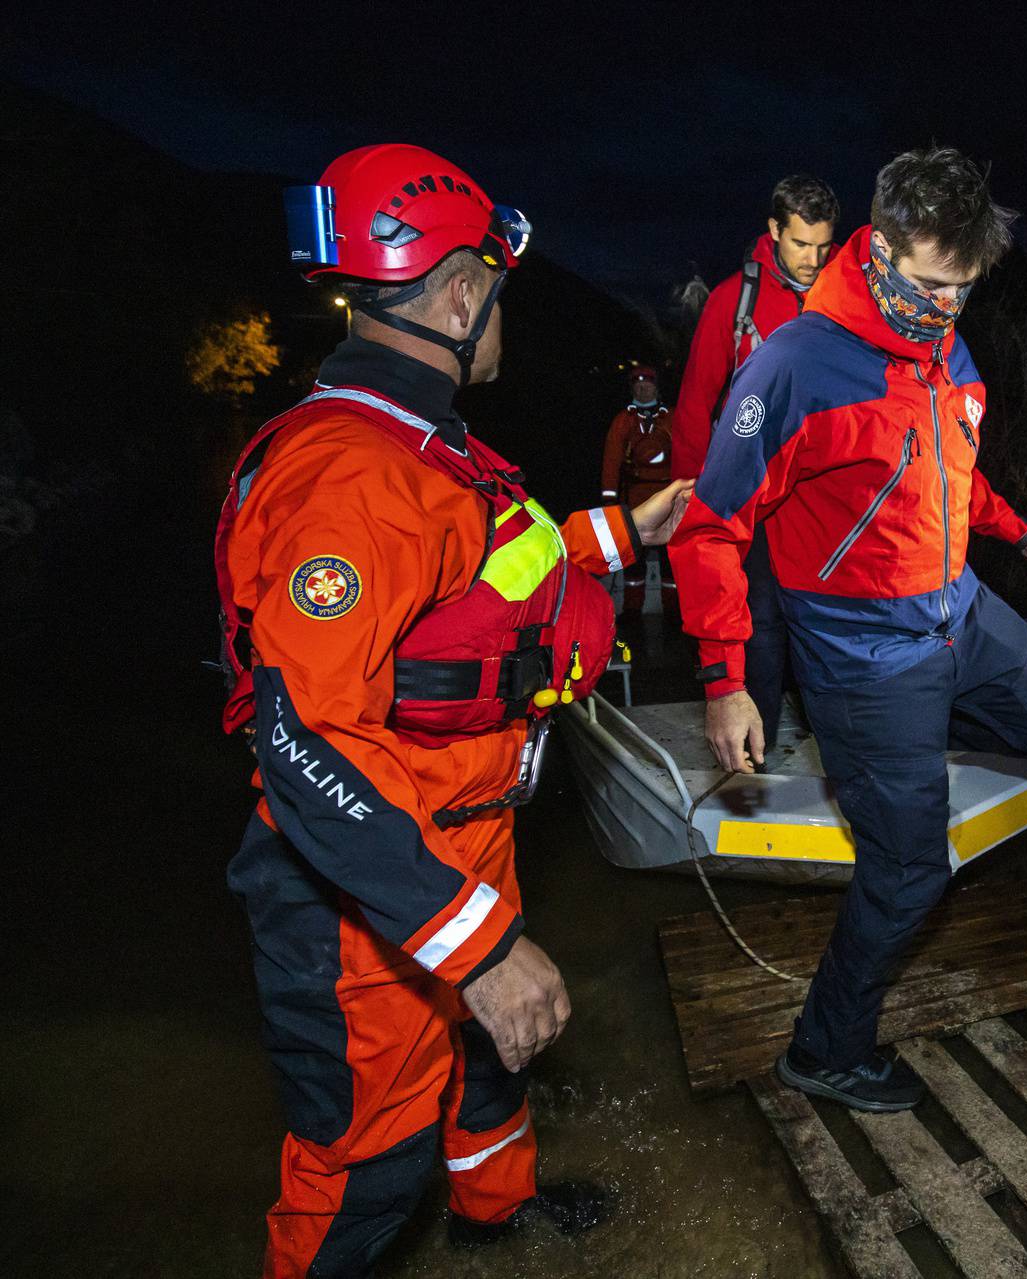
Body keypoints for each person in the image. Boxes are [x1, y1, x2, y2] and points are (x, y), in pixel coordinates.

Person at [215, 143, 690, 1277]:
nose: (501, 315)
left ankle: (495, 1214)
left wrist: (621, 535)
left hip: (459, 831)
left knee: (489, 1064)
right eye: (497, 290)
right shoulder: (350, 476)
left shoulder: (427, 448)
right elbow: (303, 732)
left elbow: (485, 590)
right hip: (364, 882)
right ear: (465, 290)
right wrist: (472, 941)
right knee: (365, 1168)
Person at [670, 146, 1027, 1113]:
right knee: (911, 875)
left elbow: (949, 465)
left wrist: (1025, 536)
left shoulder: (944, 342)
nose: (951, 308)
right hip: (864, 651)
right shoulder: (796, 365)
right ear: (882, 249)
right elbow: (710, 524)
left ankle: (897, 761)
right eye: (935, 285)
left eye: (967, 289)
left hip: (962, 609)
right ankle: (824, 1050)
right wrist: (723, 677)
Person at [672, 174, 839, 744]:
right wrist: (692, 492)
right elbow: (697, 400)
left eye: (823, 246)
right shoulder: (733, 300)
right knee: (760, 622)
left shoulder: (846, 294)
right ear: (774, 230)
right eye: (800, 244)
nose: (813, 260)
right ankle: (757, 749)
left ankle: (842, 740)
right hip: (756, 493)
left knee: (828, 619)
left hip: (823, 496)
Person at [601, 363, 675, 615]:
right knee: (634, 557)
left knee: (671, 560)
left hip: (669, 497)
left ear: (656, 386)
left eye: (648, 383)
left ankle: (674, 611)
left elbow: (688, 455)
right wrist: (609, 500)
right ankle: (632, 611)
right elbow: (612, 460)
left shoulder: (672, 417)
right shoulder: (624, 421)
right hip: (635, 498)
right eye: (637, 383)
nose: (643, 388)